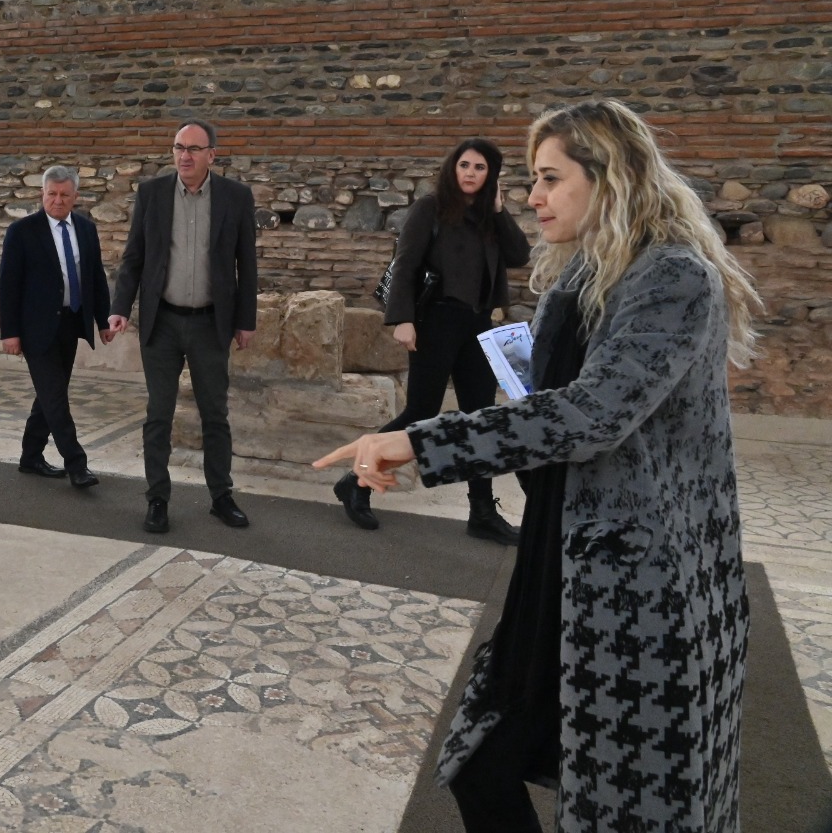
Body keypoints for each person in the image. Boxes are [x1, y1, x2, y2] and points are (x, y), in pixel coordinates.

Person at [315, 100, 760, 833]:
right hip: (557, 563)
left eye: (550, 178)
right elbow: (550, 412)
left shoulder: (675, 278)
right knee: (479, 762)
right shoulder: (581, 279)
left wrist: (424, 441)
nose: (532, 196)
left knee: (628, 805)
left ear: (608, 178)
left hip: (639, 587)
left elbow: (593, 413)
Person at [332, 138, 531, 544]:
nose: (471, 173)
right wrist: (403, 319)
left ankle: (481, 512)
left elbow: (519, 254)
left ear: (490, 174)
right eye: (465, 165)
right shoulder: (431, 208)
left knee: (481, 418)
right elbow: (404, 262)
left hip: (479, 324)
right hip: (436, 319)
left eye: (480, 168)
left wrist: (500, 209)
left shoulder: (490, 216)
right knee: (420, 411)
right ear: (452, 168)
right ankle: (356, 481)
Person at [109, 121, 257, 535]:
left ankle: (221, 496)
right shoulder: (152, 194)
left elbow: (247, 263)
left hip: (211, 323)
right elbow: (134, 257)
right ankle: (157, 498)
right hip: (163, 322)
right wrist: (120, 307)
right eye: (178, 147)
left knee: (216, 414)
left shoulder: (236, 197)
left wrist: (245, 320)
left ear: (212, 154)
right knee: (159, 413)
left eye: (194, 148)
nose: (185, 155)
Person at [0, 166, 117, 489]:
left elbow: (95, 278)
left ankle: (30, 455)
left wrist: (104, 320)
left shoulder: (86, 229)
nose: (57, 200)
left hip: (71, 321)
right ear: (42, 194)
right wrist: (9, 332)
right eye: (51, 194)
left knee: (52, 393)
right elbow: (8, 285)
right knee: (55, 397)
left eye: (64, 195)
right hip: (35, 327)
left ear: (75, 196)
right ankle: (77, 464)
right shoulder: (22, 231)